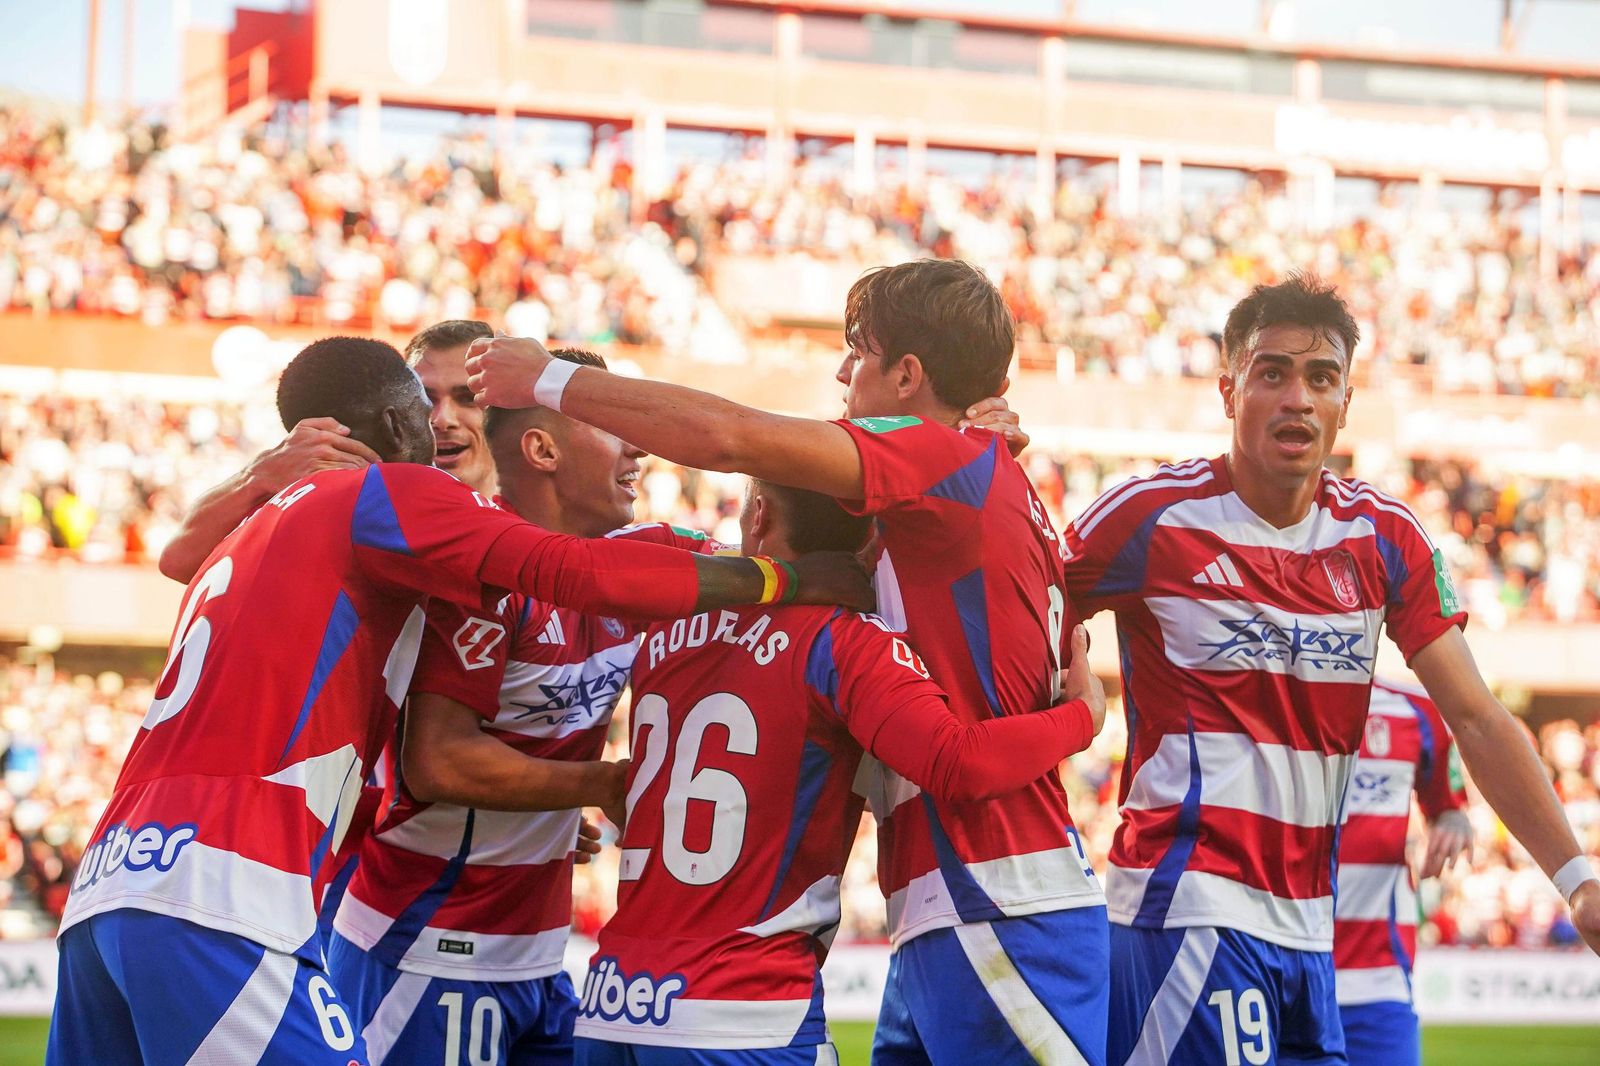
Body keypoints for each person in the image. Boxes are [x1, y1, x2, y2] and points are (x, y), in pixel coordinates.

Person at [46, 336, 871, 1066]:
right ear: (399, 426)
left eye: (465, 400)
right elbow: (570, 580)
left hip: (118, 875)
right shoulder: (400, 506)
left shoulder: (264, 519)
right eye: (429, 401)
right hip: (262, 889)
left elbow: (180, 552)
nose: (445, 424)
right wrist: (782, 580)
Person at [468, 258, 1110, 1064]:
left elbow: (730, 435)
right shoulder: (925, 518)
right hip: (940, 907)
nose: (841, 373)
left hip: (1000, 896)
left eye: (858, 352)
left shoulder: (939, 460)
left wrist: (553, 379)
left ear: (908, 376)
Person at [1055, 274, 1600, 1066]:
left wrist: (1578, 877)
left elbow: (1477, 717)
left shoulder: (1383, 538)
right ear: (1229, 390)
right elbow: (1017, 597)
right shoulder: (1151, 517)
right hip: (1189, 915)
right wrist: (1071, 686)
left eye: (1321, 378)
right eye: (1272, 373)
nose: (1298, 398)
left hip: (1311, 936)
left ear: (1346, 400)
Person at [574, 478, 1105, 1064]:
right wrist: (1082, 716)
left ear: (756, 512)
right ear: (872, 540)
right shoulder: (845, 642)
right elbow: (960, 761)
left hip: (611, 1006)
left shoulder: (673, 589)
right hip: (744, 1017)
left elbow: (584, 550)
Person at [327, 348, 723, 1064]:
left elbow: (790, 552)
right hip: (429, 946)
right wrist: (603, 784)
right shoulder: (472, 574)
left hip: (540, 954)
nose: (636, 446)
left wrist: (965, 446)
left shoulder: (646, 555)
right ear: (542, 449)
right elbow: (439, 760)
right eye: (607, 423)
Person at [1334, 678, 1471, 1066]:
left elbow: (1447, 807)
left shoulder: (1415, 710)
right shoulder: (1261, 699)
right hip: (1276, 972)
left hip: (1376, 979)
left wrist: (1452, 823)